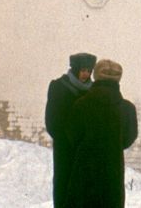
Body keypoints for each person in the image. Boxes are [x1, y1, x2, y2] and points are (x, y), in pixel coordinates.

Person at [63, 58, 138, 208]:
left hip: (83, 171)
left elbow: (71, 135)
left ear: (96, 76)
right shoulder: (127, 109)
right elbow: (129, 138)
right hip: (112, 172)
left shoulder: (81, 105)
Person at [45, 52, 97, 208]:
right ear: (74, 69)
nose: (85, 75)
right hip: (65, 148)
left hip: (85, 148)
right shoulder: (58, 86)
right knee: (64, 185)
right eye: (82, 70)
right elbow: (51, 120)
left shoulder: (93, 90)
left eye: (89, 71)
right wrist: (66, 138)